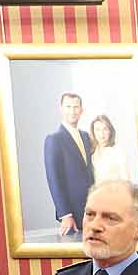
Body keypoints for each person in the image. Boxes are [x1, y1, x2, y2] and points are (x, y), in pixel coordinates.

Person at [43, 92, 95, 238]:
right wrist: (65, 214)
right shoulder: (54, 139)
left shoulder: (86, 136)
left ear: (81, 110)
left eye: (76, 107)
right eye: (68, 107)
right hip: (72, 212)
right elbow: (54, 179)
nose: (72, 111)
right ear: (61, 109)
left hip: (93, 208)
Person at [88, 114, 128, 182]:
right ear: (93, 132)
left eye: (105, 129)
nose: (101, 134)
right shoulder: (92, 153)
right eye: (97, 129)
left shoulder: (117, 152)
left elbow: (126, 180)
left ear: (110, 131)